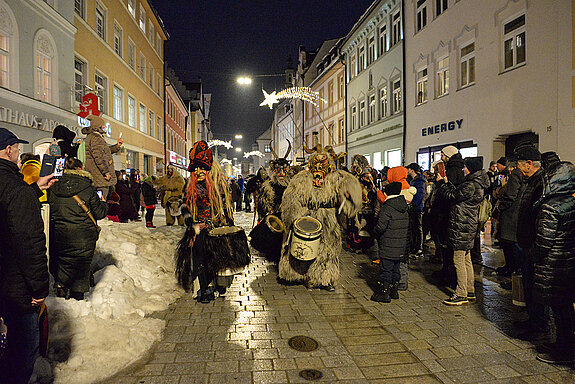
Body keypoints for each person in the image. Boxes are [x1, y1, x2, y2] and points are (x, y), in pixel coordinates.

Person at [0, 128, 56, 384]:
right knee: (23, 351)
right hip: (15, 287)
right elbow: (30, 243)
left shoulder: (18, 189)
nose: (19, 155)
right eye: (17, 149)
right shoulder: (16, 189)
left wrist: (34, 188)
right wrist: (38, 288)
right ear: (9, 150)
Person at [278, 146, 362, 291]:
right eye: (315, 162)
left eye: (322, 163)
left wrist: (348, 197)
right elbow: (291, 200)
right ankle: (308, 277)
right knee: (308, 249)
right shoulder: (302, 179)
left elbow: (351, 197)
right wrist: (293, 218)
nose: (319, 166)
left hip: (329, 221)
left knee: (329, 250)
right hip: (308, 219)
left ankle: (326, 279)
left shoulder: (338, 178)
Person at [175, 141, 240, 303]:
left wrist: (228, 224)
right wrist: (190, 223)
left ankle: (219, 285)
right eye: (195, 168)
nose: (198, 171)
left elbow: (226, 206)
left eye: (202, 167)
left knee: (217, 259)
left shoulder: (219, 185)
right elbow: (184, 205)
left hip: (216, 228)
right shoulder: (190, 185)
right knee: (200, 259)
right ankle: (205, 289)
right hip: (198, 229)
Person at [532, 162, 575, 364]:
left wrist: (533, 254)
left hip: (554, 264)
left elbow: (543, 242)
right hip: (568, 262)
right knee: (565, 307)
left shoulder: (550, 206)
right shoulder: (571, 202)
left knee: (559, 309)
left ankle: (565, 350)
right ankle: (564, 344)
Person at [48, 157, 107, 300]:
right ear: (80, 169)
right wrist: (104, 204)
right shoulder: (88, 187)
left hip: (59, 233)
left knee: (62, 260)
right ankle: (77, 296)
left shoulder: (53, 186)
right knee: (81, 266)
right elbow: (99, 214)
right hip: (83, 236)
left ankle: (61, 286)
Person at [438, 156, 489, 305]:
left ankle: (461, 293)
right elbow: (459, 195)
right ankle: (469, 289)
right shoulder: (475, 183)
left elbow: (452, 196)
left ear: (471, 168)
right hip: (468, 224)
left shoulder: (470, 185)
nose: (463, 169)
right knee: (466, 258)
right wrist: (448, 183)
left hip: (462, 225)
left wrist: (441, 183)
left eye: (465, 167)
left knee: (458, 259)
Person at [515, 145, 549, 338]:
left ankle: (539, 325)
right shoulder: (531, 181)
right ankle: (533, 319)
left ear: (529, 164)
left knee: (535, 287)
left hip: (534, 244)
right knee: (529, 285)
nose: (517, 168)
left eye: (519, 164)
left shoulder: (540, 183)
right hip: (527, 242)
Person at [371, 182, 409, 303]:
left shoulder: (387, 207)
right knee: (396, 268)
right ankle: (394, 291)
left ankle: (384, 294)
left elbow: (381, 227)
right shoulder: (403, 206)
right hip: (400, 245)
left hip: (388, 244)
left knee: (386, 269)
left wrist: (374, 232)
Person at [492, 157, 524, 277]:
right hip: (515, 216)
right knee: (510, 245)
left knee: (512, 246)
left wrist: (501, 207)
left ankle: (514, 272)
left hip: (511, 215)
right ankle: (511, 269)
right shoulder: (525, 176)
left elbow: (510, 195)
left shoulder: (515, 175)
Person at [82, 115, 123, 199]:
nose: (104, 127)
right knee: (101, 202)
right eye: (102, 125)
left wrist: (117, 146)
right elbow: (98, 157)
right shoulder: (96, 138)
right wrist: (106, 172)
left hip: (98, 175)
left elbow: (105, 152)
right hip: (100, 177)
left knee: (99, 201)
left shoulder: (93, 137)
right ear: (98, 126)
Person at [406, 163, 426, 257]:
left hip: (417, 209)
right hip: (414, 207)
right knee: (414, 228)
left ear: (412, 170)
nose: (407, 171)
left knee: (417, 228)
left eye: (408, 169)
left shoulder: (419, 181)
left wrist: (413, 205)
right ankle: (414, 247)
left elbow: (420, 195)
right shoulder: (414, 180)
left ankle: (419, 248)